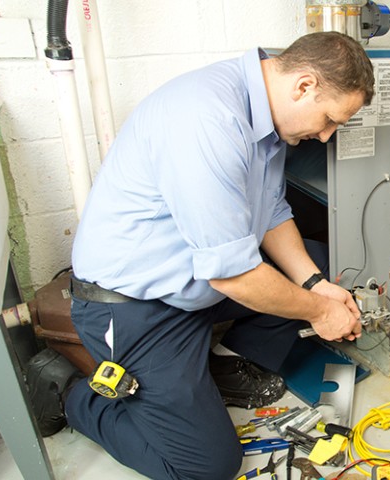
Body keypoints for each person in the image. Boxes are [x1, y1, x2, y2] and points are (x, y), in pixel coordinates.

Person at [61, 32, 374, 479]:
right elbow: (236, 278)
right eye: (329, 119)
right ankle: (78, 400)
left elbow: (270, 213)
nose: (326, 135)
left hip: (195, 284)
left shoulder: (264, 118)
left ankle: (224, 366)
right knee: (208, 467)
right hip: (135, 308)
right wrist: (320, 312)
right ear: (304, 85)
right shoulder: (207, 118)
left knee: (321, 264)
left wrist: (315, 286)